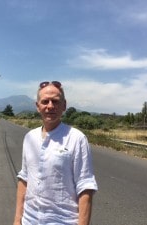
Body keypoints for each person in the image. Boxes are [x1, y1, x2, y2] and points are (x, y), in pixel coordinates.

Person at [13, 81, 98, 225]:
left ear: (64, 105)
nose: (50, 106)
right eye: (45, 101)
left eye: (55, 101)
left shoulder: (76, 139)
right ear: (38, 106)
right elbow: (24, 179)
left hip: (63, 221)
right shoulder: (29, 137)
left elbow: (85, 187)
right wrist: (17, 219)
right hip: (29, 219)